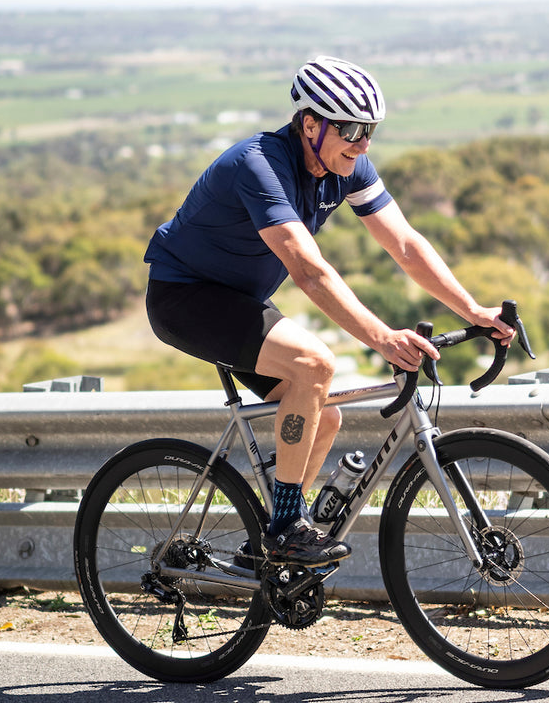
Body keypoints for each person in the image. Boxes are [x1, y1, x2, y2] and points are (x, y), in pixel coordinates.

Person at [144, 55, 514, 566]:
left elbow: (404, 243)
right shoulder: (258, 165)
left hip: (239, 300)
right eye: (352, 130)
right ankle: (286, 528)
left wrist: (472, 309)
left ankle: (265, 554)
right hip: (184, 297)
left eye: (371, 132)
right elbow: (309, 272)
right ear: (310, 123)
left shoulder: (348, 166)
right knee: (314, 364)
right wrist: (383, 338)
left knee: (326, 416)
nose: (363, 145)